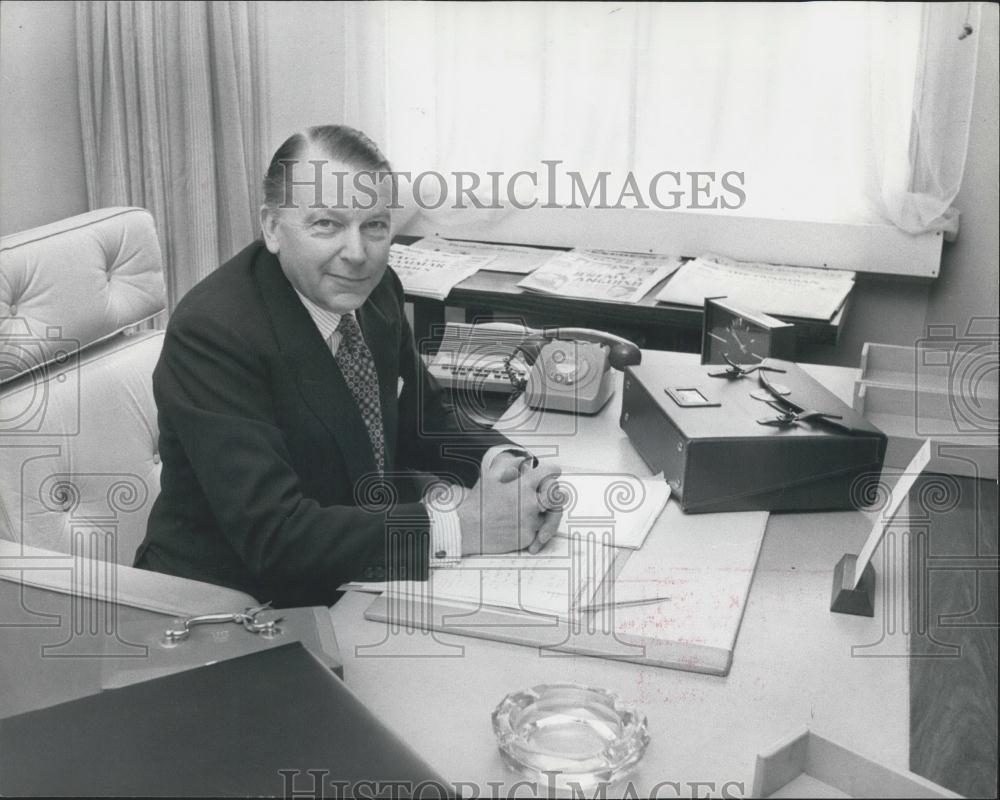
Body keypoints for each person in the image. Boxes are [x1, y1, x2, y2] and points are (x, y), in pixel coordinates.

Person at [134, 125, 562, 607]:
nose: (357, 254)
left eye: (375, 225)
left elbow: (426, 420)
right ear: (272, 228)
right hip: (232, 609)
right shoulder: (213, 333)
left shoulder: (377, 292)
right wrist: (464, 525)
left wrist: (512, 470)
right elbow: (275, 535)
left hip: (354, 576)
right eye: (326, 225)